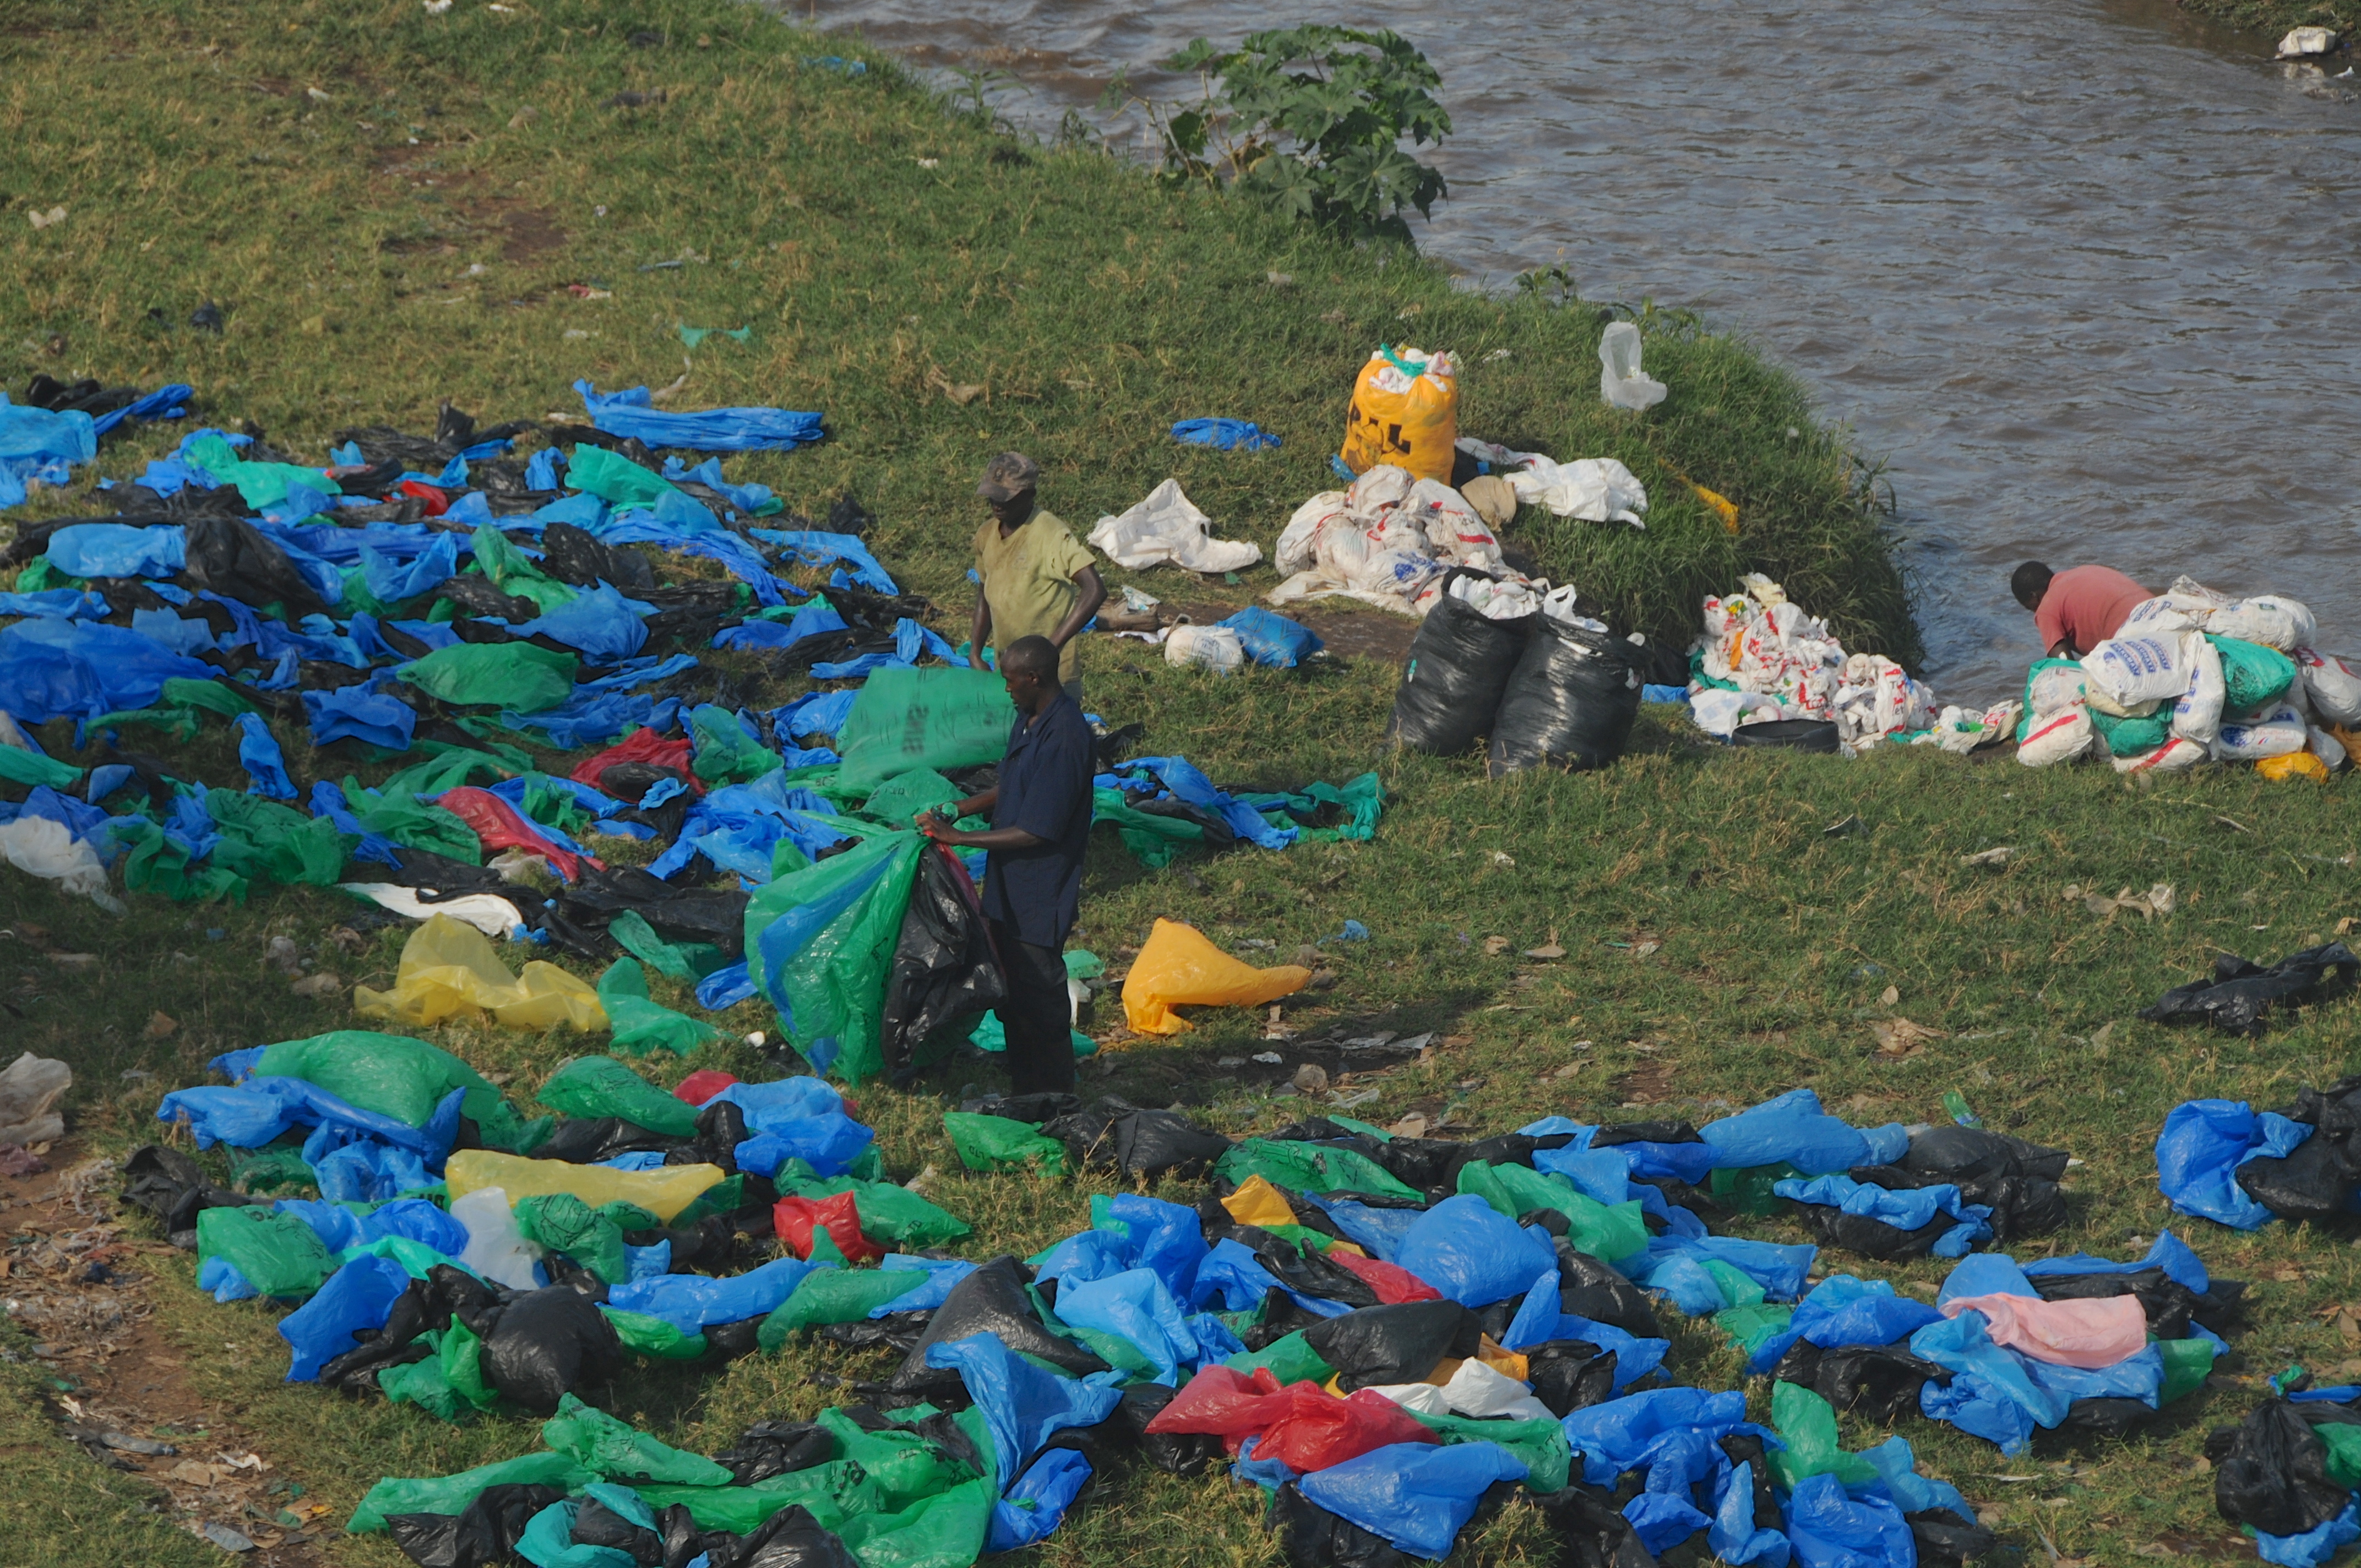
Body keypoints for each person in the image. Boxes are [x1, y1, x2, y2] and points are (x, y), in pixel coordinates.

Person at [919, 635, 1093, 1096]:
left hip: (1039, 888)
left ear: (1034, 679)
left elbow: (1038, 829)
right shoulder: (1028, 719)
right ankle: (1025, 1085)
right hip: (1007, 880)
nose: (1006, 690)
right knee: (1013, 989)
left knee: (1039, 992)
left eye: (1011, 681)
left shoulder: (1065, 738)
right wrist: (961, 807)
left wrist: (960, 839)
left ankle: (1054, 1094)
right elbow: (1013, 782)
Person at [970, 450, 1105, 705]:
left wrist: (1049, 650)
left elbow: (1094, 590)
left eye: (1005, 499)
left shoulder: (1049, 533)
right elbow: (984, 592)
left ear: (1029, 496)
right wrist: (975, 652)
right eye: (992, 498)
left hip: (1051, 680)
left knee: (1050, 739)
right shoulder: (987, 534)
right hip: (1010, 676)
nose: (997, 505)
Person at [2012, 560, 2153, 658]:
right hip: (2160, 611)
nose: (2035, 613)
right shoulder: (2087, 571)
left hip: (2134, 636)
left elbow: (2064, 665)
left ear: (2034, 597)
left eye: (2030, 608)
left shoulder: (2046, 607)